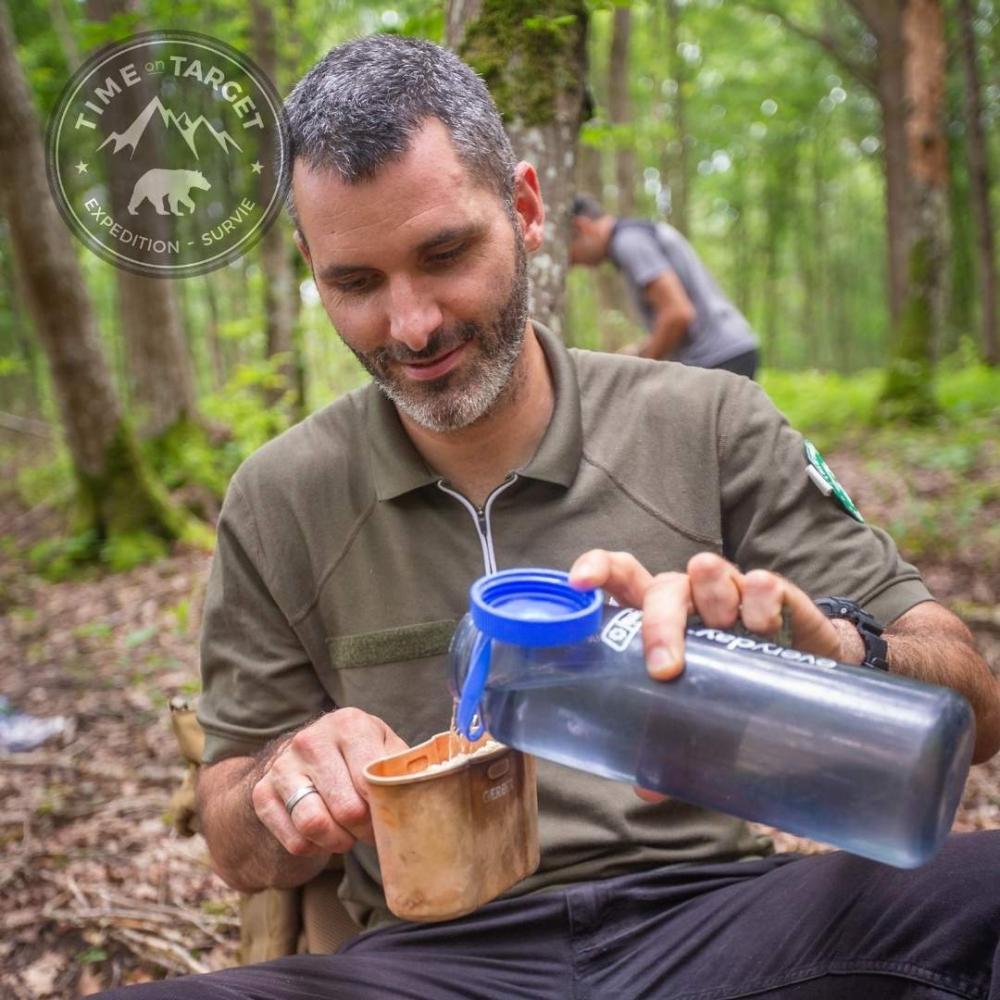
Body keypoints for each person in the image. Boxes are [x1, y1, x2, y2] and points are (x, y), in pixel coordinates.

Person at [97, 34, 1000, 1000]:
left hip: (719, 923)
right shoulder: (281, 497)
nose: (412, 326)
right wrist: (283, 778)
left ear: (526, 209)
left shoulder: (704, 420)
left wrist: (832, 653)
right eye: (356, 284)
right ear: (311, 268)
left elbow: (973, 707)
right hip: (430, 961)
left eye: (445, 253)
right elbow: (233, 835)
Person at [569, 193, 761, 378]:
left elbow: (678, 314)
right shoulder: (637, 234)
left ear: (581, 227)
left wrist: (639, 370)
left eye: (569, 253)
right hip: (732, 349)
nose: (574, 262)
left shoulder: (628, 242)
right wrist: (639, 351)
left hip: (717, 358)